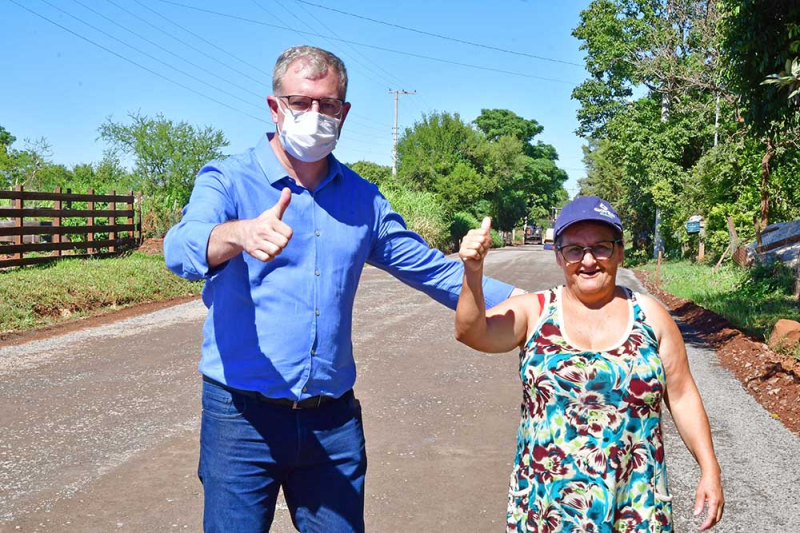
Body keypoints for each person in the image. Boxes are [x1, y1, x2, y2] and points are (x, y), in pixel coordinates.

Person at [164, 45, 521, 532]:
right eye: (300, 102)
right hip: (240, 420)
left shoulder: (363, 200)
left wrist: (537, 303)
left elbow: (433, 270)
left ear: (343, 113)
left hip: (330, 423)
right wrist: (239, 234)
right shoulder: (227, 180)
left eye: (327, 105)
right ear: (275, 107)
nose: (314, 114)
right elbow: (180, 248)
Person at [455, 197, 724, 532]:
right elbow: (471, 332)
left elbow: (682, 395)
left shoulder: (651, 316)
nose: (587, 260)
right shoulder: (534, 312)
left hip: (636, 506)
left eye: (601, 247)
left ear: (619, 252)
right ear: (558, 255)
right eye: (574, 249)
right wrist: (473, 272)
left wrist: (709, 467)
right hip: (548, 509)